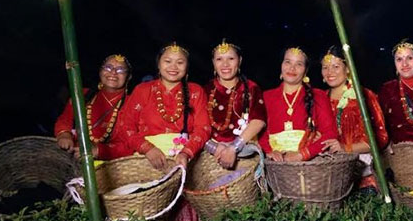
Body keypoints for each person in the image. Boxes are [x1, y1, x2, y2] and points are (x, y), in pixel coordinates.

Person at [115, 43, 211, 169]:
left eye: (180, 62)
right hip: (145, 160)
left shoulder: (196, 91)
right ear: (158, 65)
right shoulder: (142, 90)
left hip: (184, 160)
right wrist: (147, 149)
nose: (173, 67)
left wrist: (186, 153)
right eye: (168, 61)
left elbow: (203, 128)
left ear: (187, 67)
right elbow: (125, 126)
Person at [320, 45, 389, 192]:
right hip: (326, 176)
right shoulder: (320, 99)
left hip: (362, 177)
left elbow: (380, 138)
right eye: (325, 67)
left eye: (336, 66)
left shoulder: (363, 96)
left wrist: (345, 148)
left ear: (348, 69)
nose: (329, 72)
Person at [259, 47, 338, 162]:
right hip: (275, 166)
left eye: (299, 64)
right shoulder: (266, 97)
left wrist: (303, 154)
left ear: (305, 71)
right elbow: (260, 132)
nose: (292, 68)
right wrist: (270, 151)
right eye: (288, 62)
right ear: (281, 66)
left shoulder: (318, 96)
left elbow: (330, 134)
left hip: (310, 165)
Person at [54, 54, 132, 160]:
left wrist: (99, 150)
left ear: (128, 77)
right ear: (100, 71)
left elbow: (131, 144)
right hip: (75, 160)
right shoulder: (83, 94)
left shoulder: (133, 103)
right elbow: (65, 119)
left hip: (114, 165)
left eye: (120, 70)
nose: (113, 72)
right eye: (108, 67)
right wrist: (64, 134)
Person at [204, 40, 267, 168]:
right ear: (213, 63)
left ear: (240, 61)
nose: (225, 64)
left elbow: (258, 121)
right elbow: (196, 126)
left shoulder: (251, 88)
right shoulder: (205, 90)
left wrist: (234, 147)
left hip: (245, 150)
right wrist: (214, 148)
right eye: (219, 59)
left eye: (231, 58)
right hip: (210, 154)